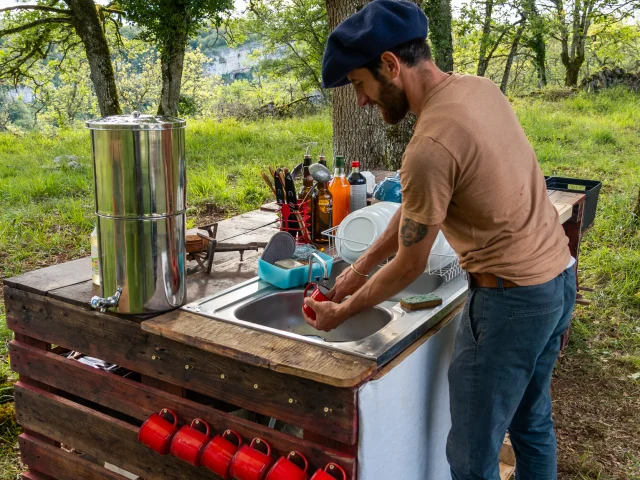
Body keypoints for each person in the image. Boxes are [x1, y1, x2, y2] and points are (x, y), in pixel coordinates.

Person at [302, 1, 577, 479]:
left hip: (508, 303)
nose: (362, 101)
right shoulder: (478, 89)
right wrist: (358, 269)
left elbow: (410, 265)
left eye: (359, 84)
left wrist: (341, 314)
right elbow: (416, 211)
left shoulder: (428, 146)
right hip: (556, 280)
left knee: (471, 459)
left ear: (390, 64)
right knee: (531, 425)